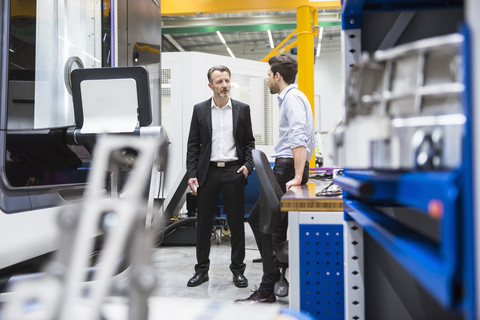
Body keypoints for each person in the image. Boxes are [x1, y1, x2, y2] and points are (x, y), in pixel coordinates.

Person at [235, 54, 315, 303]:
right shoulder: (294, 97)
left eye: (268, 76)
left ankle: (271, 278)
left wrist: (298, 176)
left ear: (278, 76)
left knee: (257, 219)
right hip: (288, 168)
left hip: (287, 169)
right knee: (277, 227)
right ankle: (272, 283)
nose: (267, 80)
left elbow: (298, 137)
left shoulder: (291, 98)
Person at [186, 65, 255, 288]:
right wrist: (192, 174)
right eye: (219, 82)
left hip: (233, 171)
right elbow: (193, 145)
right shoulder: (199, 110)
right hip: (208, 173)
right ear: (210, 85)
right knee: (203, 223)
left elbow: (249, 142)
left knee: (236, 223)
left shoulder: (242, 109)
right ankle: (201, 270)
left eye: (227, 81)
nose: (224, 85)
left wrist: (247, 165)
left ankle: (238, 271)